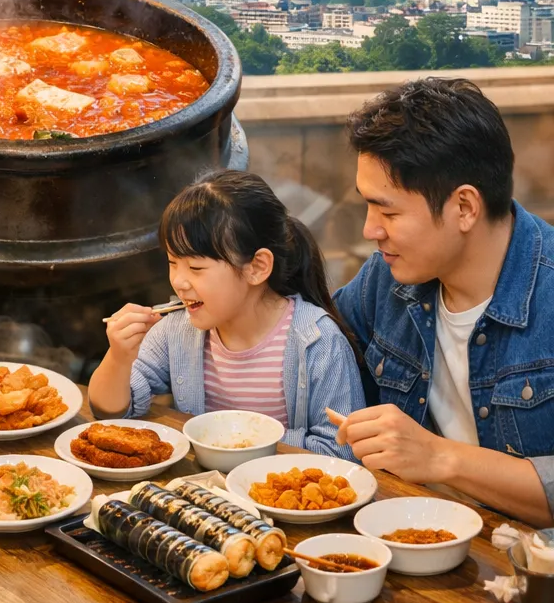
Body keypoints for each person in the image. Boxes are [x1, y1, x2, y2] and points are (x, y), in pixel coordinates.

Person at [333, 78, 554, 527]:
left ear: (465, 208)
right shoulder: (387, 276)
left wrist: (440, 458)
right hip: (409, 536)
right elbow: (310, 334)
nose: (370, 230)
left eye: (389, 212)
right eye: (368, 208)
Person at [91, 170, 368, 458]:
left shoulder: (317, 341)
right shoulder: (176, 330)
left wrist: (240, 440)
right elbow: (111, 411)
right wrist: (119, 357)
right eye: (173, 262)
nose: (179, 281)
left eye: (196, 268)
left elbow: (342, 449)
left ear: (257, 267)